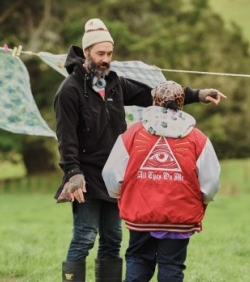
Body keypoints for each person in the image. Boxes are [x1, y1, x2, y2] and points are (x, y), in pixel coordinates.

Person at [54, 18, 225, 282]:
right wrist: (73, 172)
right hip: (84, 176)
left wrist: (197, 94)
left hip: (116, 176)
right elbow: (65, 137)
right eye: (100, 54)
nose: (106, 59)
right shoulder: (69, 91)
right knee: (84, 237)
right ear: (86, 53)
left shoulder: (114, 84)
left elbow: (153, 95)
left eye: (109, 54)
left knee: (113, 240)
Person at [102, 80, 221, 282]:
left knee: (138, 260)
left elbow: (112, 174)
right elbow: (210, 183)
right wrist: (202, 200)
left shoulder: (133, 133)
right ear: (181, 103)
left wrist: (121, 194)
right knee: (172, 266)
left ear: (154, 101)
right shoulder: (198, 139)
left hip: (141, 215)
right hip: (179, 217)